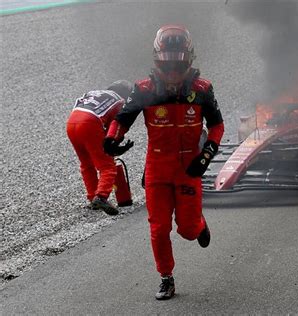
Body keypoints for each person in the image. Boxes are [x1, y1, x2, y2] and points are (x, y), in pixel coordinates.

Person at [104, 25, 224, 300]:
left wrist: (205, 158)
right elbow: (122, 119)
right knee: (158, 228)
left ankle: (199, 225)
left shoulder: (202, 89)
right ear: (157, 60)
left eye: (178, 64)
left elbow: (217, 126)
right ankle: (166, 278)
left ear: (189, 60)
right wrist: (111, 140)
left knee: (188, 230)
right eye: (166, 64)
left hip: (189, 169)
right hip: (157, 167)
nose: (172, 72)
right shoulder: (144, 89)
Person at [66, 80, 134, 215]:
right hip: (89, 123)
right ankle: (101, 197)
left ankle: (92, 198)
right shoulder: (119, 101)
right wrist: (115, 147)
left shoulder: (93, 93)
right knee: (107, 165)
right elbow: (114, 129)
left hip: (71, 123)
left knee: (86, 164)